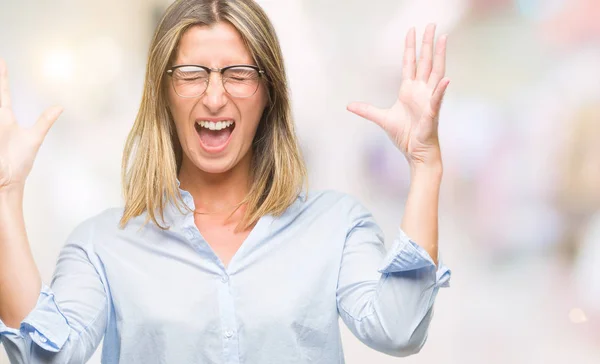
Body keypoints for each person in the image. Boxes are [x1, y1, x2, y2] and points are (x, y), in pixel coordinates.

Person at [0, 0, 451, 363]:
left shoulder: (337, 225)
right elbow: (42, 357)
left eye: (238, 74)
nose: (215, 98)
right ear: (163, 93)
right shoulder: (101, 245)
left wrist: (425, 164)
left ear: (269, 91)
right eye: (193, 75)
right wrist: (5, 191)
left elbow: (397, 330)